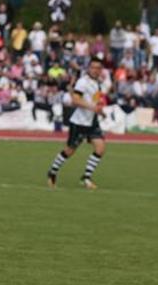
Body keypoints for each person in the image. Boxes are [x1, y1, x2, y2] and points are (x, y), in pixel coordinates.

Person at [46, 58, 107, 190]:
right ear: (89, 68)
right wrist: (92, 107)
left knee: (100, 148)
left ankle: (86, 178)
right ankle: (52, 172)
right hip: (79, 123)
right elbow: (75, 99)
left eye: (98, 68)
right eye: (93, 67)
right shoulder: (82, 82)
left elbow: (94, 101)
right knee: (69, 151)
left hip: (92, 122)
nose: (96, 70)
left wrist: (99, 111)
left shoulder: (97, 83)